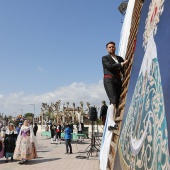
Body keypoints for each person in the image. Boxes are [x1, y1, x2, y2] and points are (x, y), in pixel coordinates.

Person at [102, 41, 128, 130]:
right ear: (107, 49)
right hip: (109, 80)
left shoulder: (120, 58)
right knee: (112, 99)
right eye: (109, 47)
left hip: (118, 81)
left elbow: (124, 68)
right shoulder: (105, 58)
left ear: (115, 48)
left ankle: (113, 122)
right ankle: (111, 123)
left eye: (113, 47)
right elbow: (110, 67)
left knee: (116, 101)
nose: (111, 48)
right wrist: (121, 64)